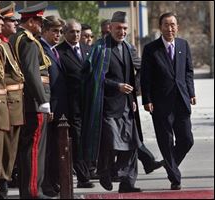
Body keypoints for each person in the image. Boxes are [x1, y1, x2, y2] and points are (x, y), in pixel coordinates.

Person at [81, 11, 142, 193]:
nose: (121, 32)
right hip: (106, 106)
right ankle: (105, 170)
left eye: (124, 29)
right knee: (112, 142)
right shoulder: (100, 48)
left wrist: (132, 95)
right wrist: (117, 86)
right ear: (110, 28)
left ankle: (126, 183)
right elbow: (93, 77)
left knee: (132, 144)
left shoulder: (129, 48)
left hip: (126, 105)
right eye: (118, 28)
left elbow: (137, 73)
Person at [140, 12, 195, 190]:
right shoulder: (151, 49)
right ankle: (175, 177)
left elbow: (188, 71)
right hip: (160, 102)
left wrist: (191, 92)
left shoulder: (183, 45)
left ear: (177, 26)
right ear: (160, 27)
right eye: (166, 25)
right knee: (166, 141)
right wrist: (147, 99)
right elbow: (145, 77)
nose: (170, 28)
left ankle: (169, 164)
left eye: (173, 25)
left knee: (187, 139)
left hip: (181, 99)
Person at [9, 2, 52, 199]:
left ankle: (32, 189)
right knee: (34, 148)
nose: (41, 25)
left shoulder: (20, 38)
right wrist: (43, 100)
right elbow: (32, 73)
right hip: (34, 101)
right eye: (39, 21)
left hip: (31, 100)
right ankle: (33, 190)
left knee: (31, 147)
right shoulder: (26, 41)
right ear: (31, 21)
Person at [56, 18, 94, 188]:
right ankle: (83, 176)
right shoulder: (59, 52)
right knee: (76, 139)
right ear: (65, 33)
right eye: (72, 31)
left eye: (78, 31)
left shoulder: (88, 50)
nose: (76, 35)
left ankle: (88, 169)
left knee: (87, 138)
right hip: (72, 104)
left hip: (88, 103)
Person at [0, 2, 25, 198]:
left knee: (10, 148)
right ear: (3, 23)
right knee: (1, 149)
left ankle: (4, 179)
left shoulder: (6, 43)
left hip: (14, 102)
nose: (16, 24)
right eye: (11, 20)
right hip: (4, 103)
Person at [40, 15, 66, 197]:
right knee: (47, 148)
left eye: (60, 32)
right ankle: (46, 183)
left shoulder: (53, 50)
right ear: (45, 31)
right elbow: (42, 80)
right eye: (54, 31)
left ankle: (54, 180)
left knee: (56, 146)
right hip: (50, 106)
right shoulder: (41, 49)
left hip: (59, 106)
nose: (58, 35)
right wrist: (46, 104)